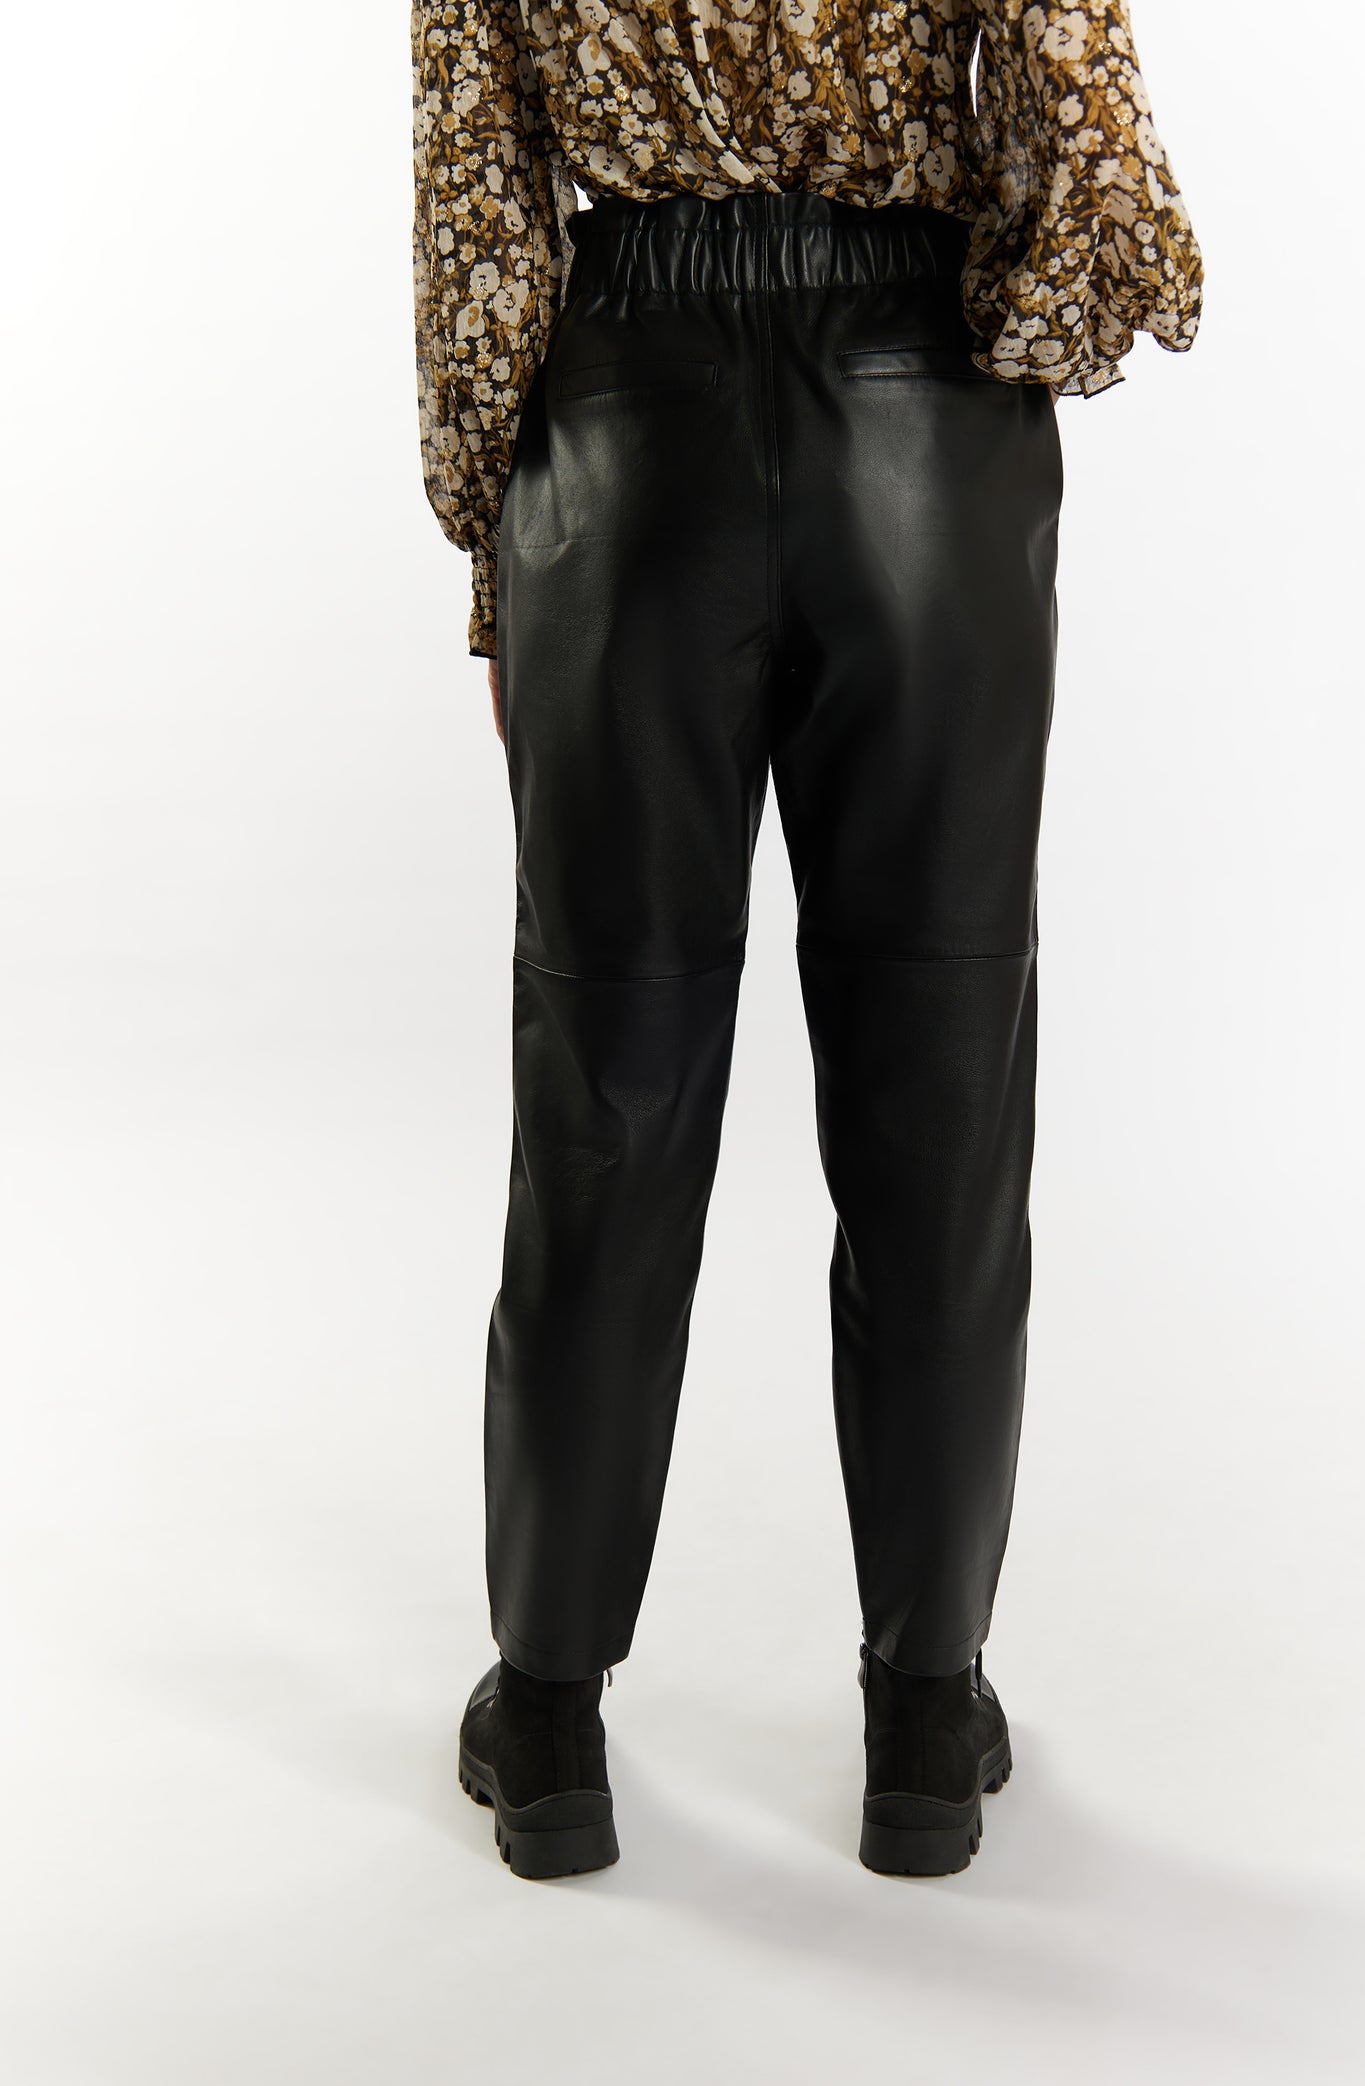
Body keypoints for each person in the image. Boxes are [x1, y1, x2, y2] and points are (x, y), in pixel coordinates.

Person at [411, 0, 1204, 1880]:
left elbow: (474, 196)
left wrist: (492, 546)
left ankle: (548, 1714)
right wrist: (1000, 322)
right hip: (923, 416)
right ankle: (925, 1708)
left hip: (622, 426)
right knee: (941, 1088)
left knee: (604, 1088)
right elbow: (1076, 90)